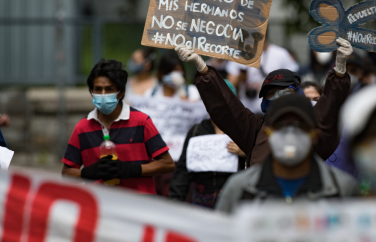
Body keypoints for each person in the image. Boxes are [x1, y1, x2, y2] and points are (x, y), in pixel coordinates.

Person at [175, 37, 352, 167]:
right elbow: (225, 106)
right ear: (263, 102)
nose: (279, 97)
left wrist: (340, 69)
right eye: (272, 93)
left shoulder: (314, 128)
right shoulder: (254, 129)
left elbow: (331, 106)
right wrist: (202, 68)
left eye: (286, 91)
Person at [215, 94, 359, 214]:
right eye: (281, 125)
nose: (290, 133)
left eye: (300, 126)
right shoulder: (240, 188)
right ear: (268, 134)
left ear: (315, 135)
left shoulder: (343, 189)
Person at [61, 59, 175, 194]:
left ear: (121, 92)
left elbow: (167, 164)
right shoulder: (82, 127)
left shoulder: (141, 122)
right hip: (100, 207)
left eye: (109, 89)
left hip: (139, 206)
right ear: (91, 92)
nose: (103, 95)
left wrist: (132, 170)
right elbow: (67, 172)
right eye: (98, 89)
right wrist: (88, 172)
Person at [169, 80, 245, 208]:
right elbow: (182, 171)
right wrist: (174, 202)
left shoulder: (244, 131)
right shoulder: (196, 131)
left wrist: (245, 152)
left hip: (234, 199)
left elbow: (261, 164)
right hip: (201, 199)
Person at [226, 37, 299, 114]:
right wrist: (241, 77)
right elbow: (230, 86)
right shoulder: (239, 54)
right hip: (246, 109)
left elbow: (294, 82)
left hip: (273, 110)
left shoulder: (281, 54)